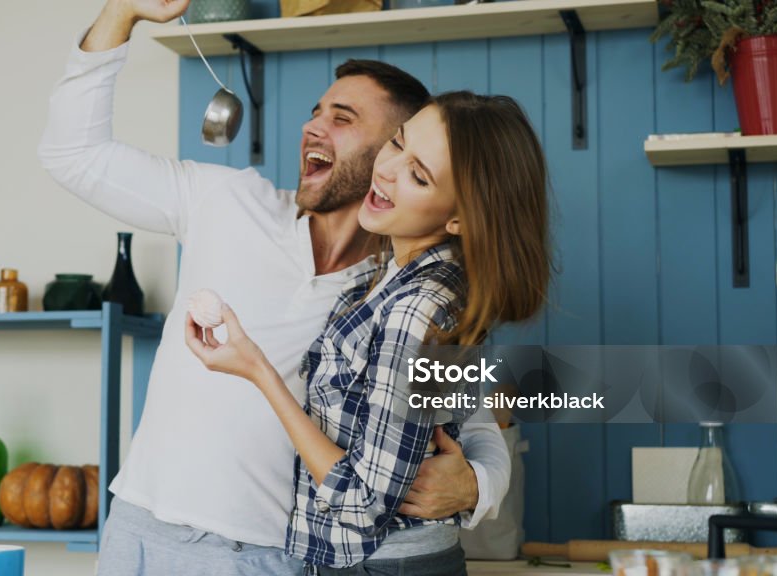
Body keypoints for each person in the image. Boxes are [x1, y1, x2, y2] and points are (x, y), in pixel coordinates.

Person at [37, 0, 512, 572]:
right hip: (139, 532)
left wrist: (477, 487)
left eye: (344, 119)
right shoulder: (226, 200)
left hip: (271, 558)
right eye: (317, 111)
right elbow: (72, 155)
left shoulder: (399, 287)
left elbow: (478, 417)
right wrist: (123, 13)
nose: (313, 124)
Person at [185, 92, 550, 574]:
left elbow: (361, 505)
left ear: (458, 217)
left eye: (419, 175)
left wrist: (257, 370)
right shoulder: (387, 278)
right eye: (396, 144)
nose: (388, 170)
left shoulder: (417, 310)